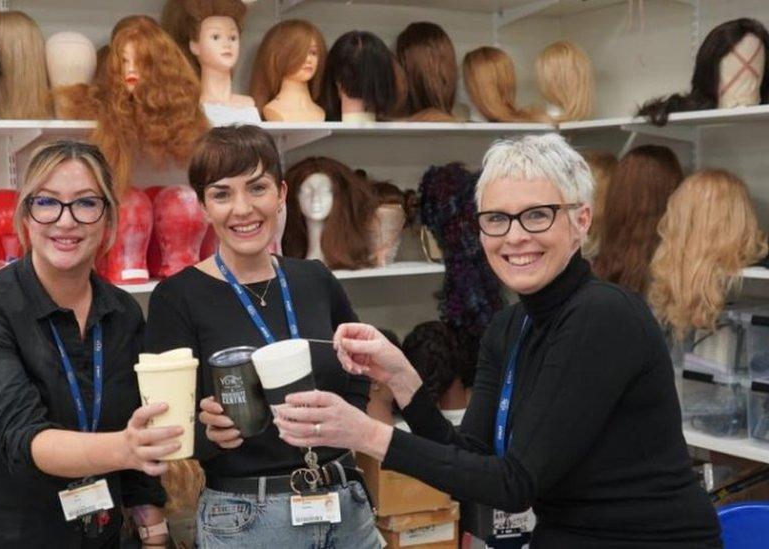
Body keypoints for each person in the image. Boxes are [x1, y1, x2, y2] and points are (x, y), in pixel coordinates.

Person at [274, 133, 722, 548]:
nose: (515, 236)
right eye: (496, 219)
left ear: (581, 220)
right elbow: (470, 461)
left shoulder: (603, 316)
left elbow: (514, 484)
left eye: (537, 215)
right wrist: (403, 379)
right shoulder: (510, 327)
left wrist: (366, 433)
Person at [0, 140, 181, 548]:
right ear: (26, 217)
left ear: (108, 220)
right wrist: (124, 448)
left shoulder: (123, 313)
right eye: (47, 202)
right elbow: (25, 439)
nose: (66, 221)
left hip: (91, 533)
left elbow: (136, 426)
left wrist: (154, 532)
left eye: (86, 203)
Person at [144, 125, 380, 548]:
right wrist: (207, 435)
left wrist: (349, 424)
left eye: (257, 188)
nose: (242, 209)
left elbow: (361, 366)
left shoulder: (315, 279)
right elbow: (164, 428)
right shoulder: (178, 297)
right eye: (221, 194)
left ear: (281, 193)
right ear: (203, 205)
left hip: (346, 506)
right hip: (249, 519)